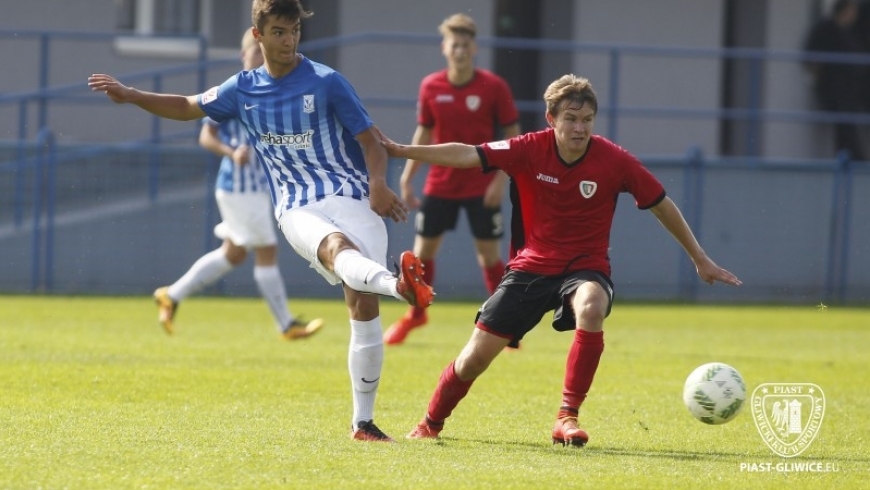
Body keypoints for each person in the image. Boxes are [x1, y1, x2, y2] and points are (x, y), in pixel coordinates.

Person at [89, 0, 435, 443]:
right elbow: (187, 106)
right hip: (296, 207)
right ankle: (398, 285)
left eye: (293, 31)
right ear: (259, 35)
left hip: (352, 196)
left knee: (362, 306)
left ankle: (362, 423)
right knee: (336, 250)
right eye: (278, 31)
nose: (288, 40)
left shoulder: (328, 82)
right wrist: (133, 95)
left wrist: (379, 184)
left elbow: (370, 140)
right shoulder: (242, 88)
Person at [380, 74, 743, 446]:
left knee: (591, 306)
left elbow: (661, 204)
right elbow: (467, 153)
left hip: (586, 267)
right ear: (551, 119)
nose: (580, 127)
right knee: (473, 359)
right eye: (571, 118)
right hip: (530, 268)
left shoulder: (614, 160)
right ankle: (430, 423)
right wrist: (404, 151)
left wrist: (700, 259)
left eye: (587, 120)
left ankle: (566, 417)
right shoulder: (527, 148)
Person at [152, 28, 324, 342]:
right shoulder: (235, 90)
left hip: (254, 188)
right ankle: (286, 325)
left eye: (264, 51)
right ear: (243, 55)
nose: (261, 57)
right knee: (267, 250)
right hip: (239, 187)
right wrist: (232, 152)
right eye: (255, 51)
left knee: (233, 254)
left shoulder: (270, 88)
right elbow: (206, 135)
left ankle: (171, 295)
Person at [383, 13, 521, 347]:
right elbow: (425, 131)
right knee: (421, 252)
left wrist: (499, 181)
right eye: (453, 44)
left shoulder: (493, 86)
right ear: (445, 48)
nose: (459, 50)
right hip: (441, 184)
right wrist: (408, 177)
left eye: (465, 44)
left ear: (473, 48)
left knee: (489, 256)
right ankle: (416, 314)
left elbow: (512, 135)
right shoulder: (431, 86)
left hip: (480, 184)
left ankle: (505, 324)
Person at [804, 0, 867, 161]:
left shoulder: (849, 31)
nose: (854, 15)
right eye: (852, 10)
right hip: (833, 88)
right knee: (844, 124)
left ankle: (851, 157)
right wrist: (817, 78)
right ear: (844, 10)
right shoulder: (826, 29)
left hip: (850, 90)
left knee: (848, 123)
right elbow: (811, 57)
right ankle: (853, 158)